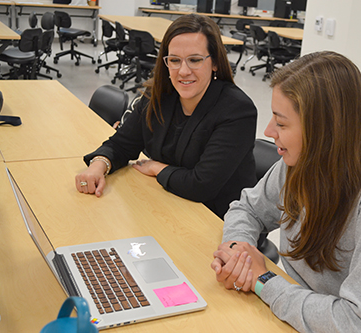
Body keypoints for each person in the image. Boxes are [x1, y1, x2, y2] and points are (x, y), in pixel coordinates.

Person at [211, 51, 361, 332]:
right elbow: (248, 208)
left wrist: (264, 282)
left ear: (323, 132)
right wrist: (238, 253)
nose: (268, 129)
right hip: (297, 316)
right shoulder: (301, 161)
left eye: (282, 122)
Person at [75, 14, 257, 219]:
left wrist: (156, 168)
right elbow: (122, 144)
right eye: (174, 60)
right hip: (168, 205)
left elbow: (201, 186)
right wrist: (99, 165)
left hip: (219, 222)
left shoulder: (237, 110)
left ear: (214, 62)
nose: (183, 71)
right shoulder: (159, 96)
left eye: (195, 60)